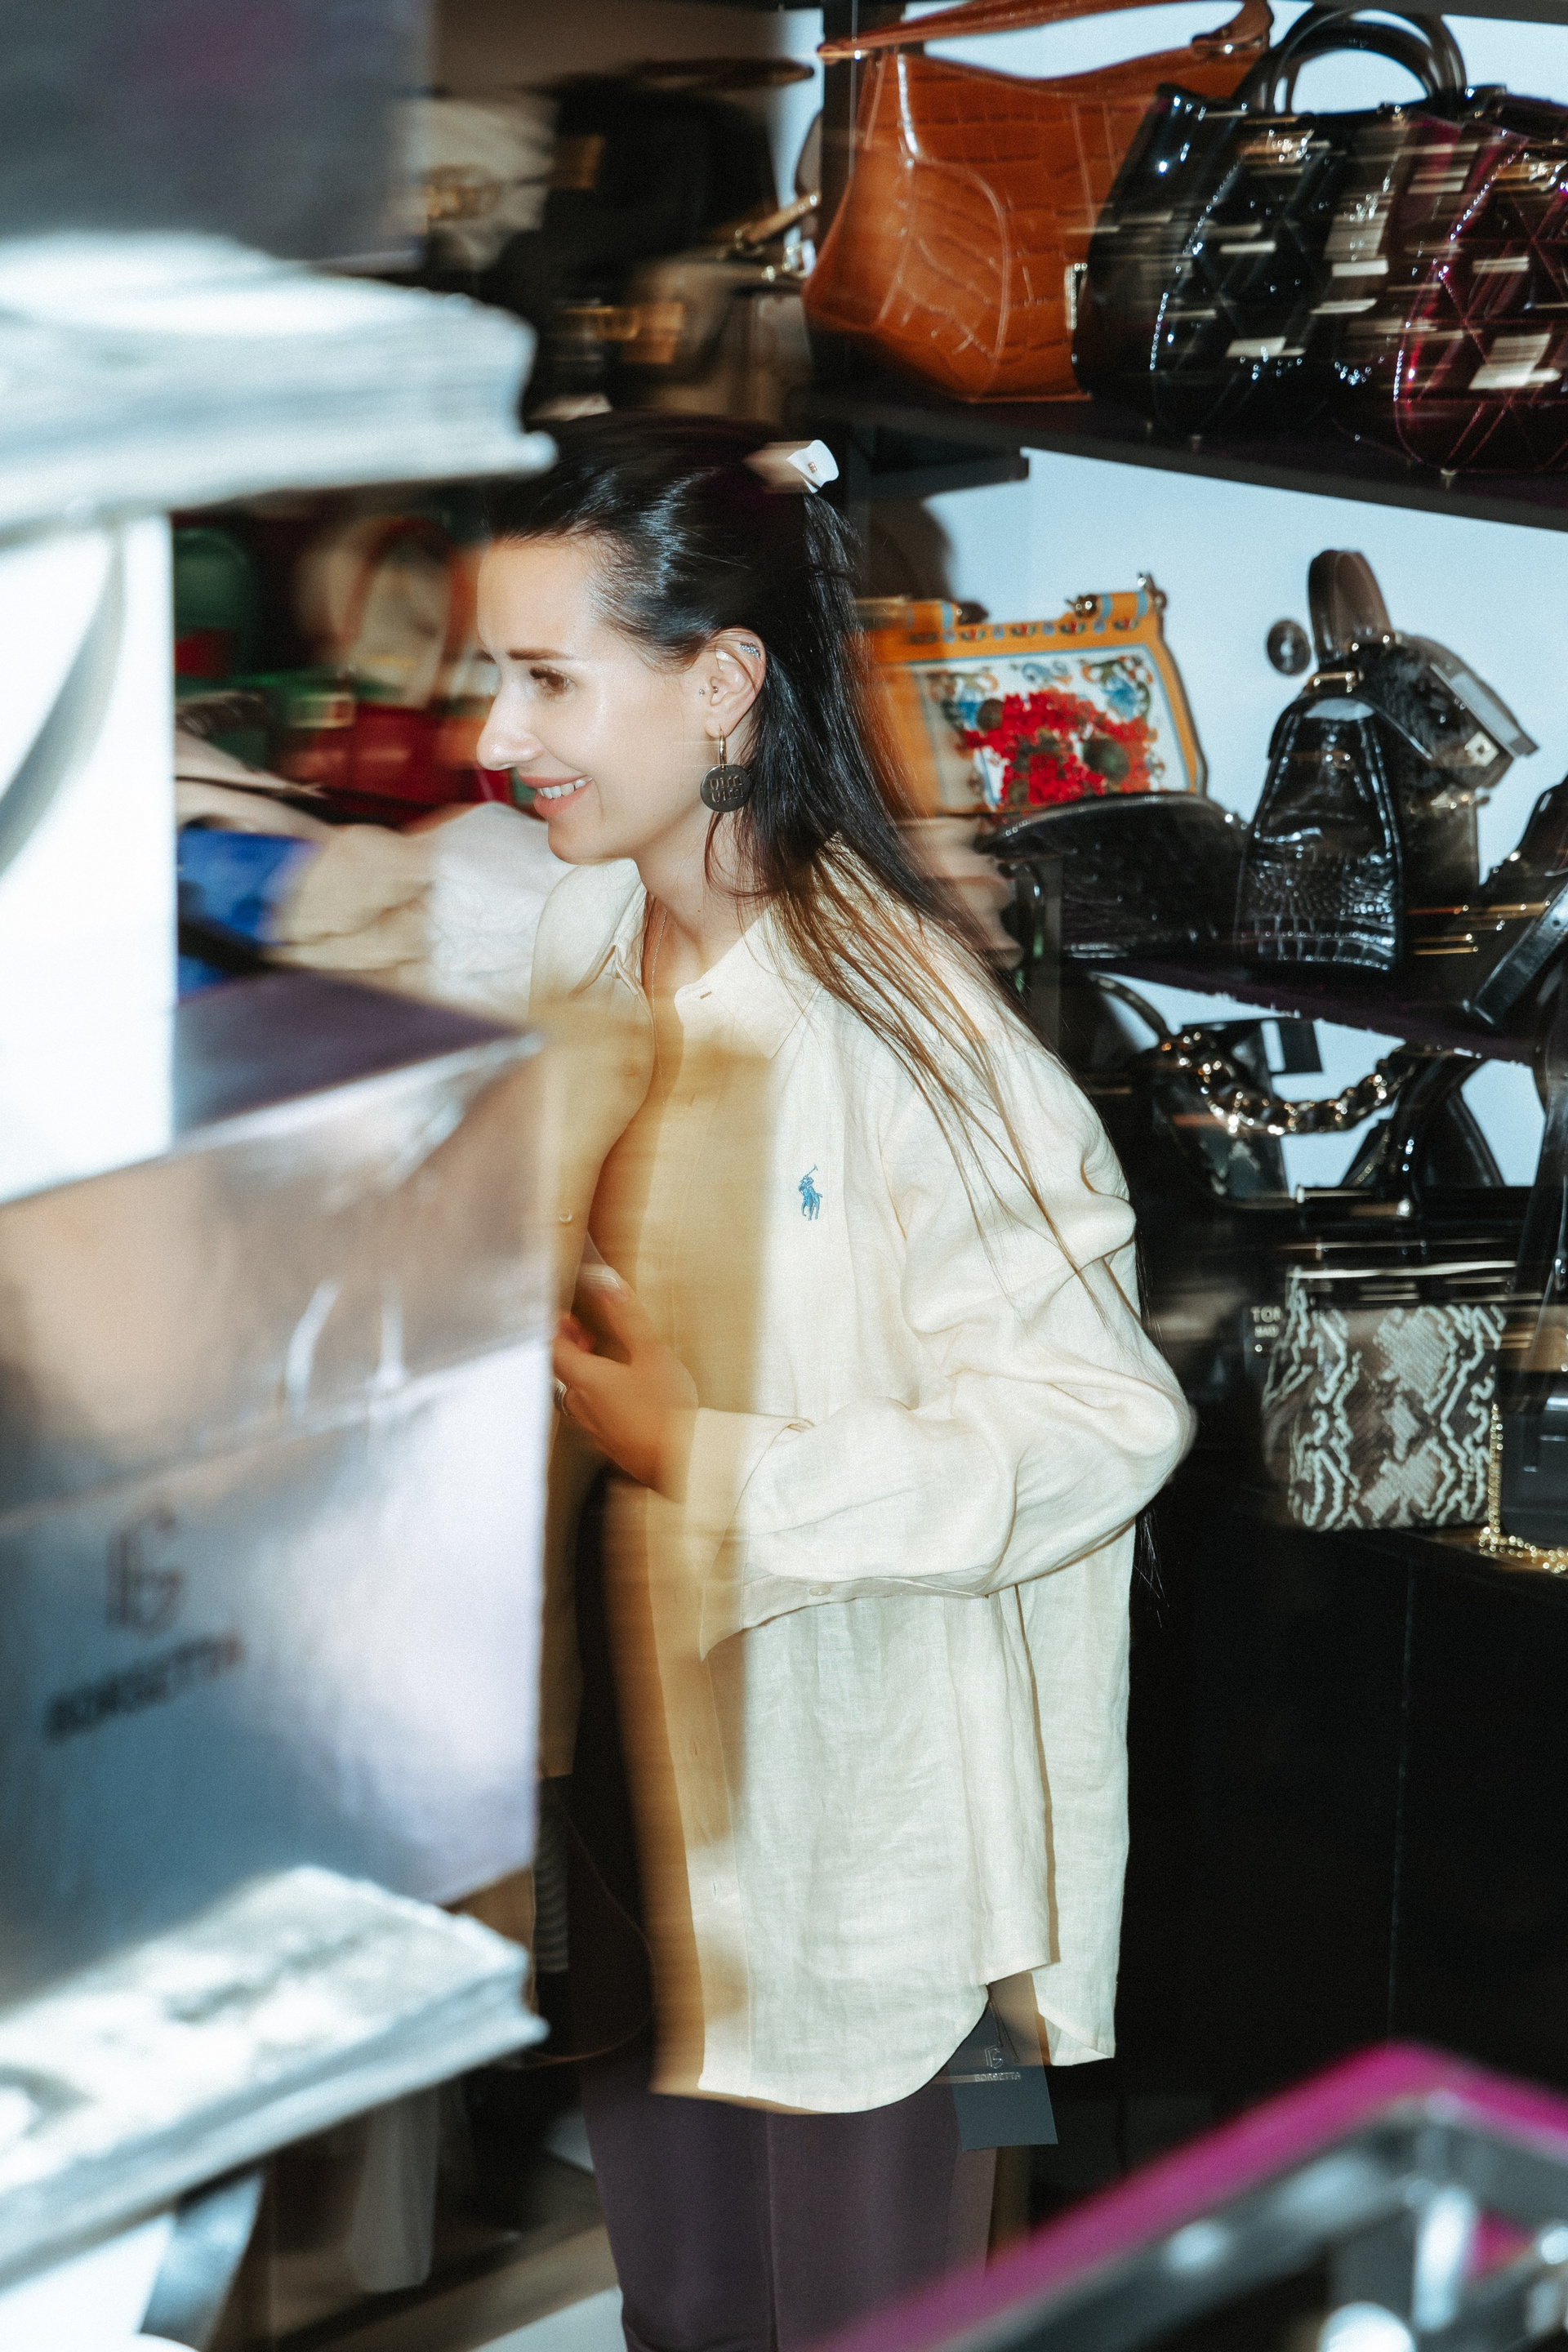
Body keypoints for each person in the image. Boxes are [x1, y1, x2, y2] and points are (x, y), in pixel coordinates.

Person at [473, 415, 1192, 2352]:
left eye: (547, 681)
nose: (496, 735)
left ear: (719, 685)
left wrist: (716, 1464)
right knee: (684, 2317)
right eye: (495, 677)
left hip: (867, 1856)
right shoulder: (584, 938)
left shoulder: (898, 1029)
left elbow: (1101, 1418)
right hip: (644, 1812)